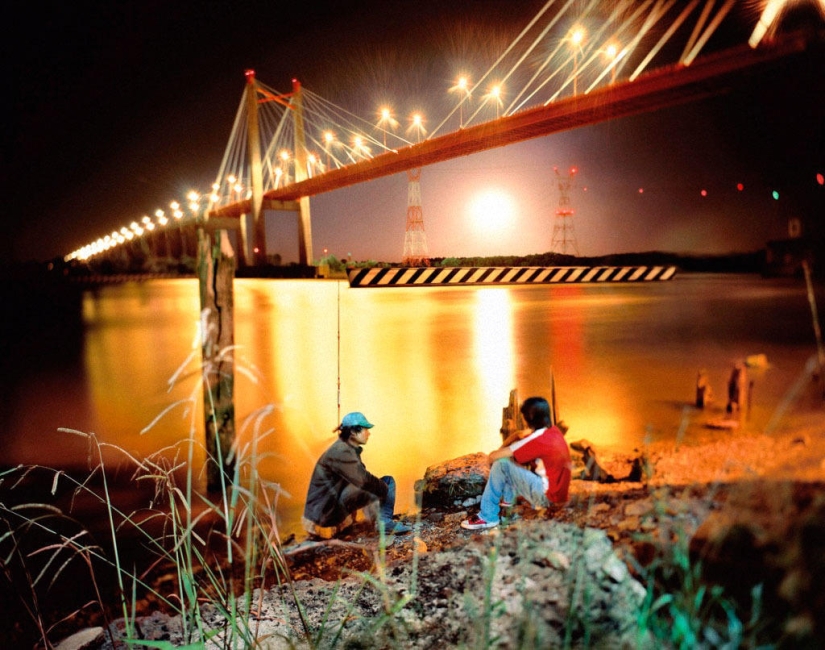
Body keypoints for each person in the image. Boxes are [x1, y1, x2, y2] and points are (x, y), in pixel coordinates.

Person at [461, 396, 572, 530]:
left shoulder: (536, 440)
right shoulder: (553, 432)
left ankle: (488, 517)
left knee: (501, 464)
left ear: (528, 419)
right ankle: (508, 503)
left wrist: (504, 446)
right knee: (513, 459)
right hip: (559, 494)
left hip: (547, 497)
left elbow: (493, 457)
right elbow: (520, 436)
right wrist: (515, 437)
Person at [303, 411, 412, 538]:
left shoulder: (344, 448)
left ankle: (371, 521)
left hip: (322, 511)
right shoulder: (342, 452)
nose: (369, 433)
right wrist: (384, 491)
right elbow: (363, 480)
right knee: (386, 483)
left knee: (373, 485)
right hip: (324, 516)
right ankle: (384, 523)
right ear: (354, 432)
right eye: (365, 429)